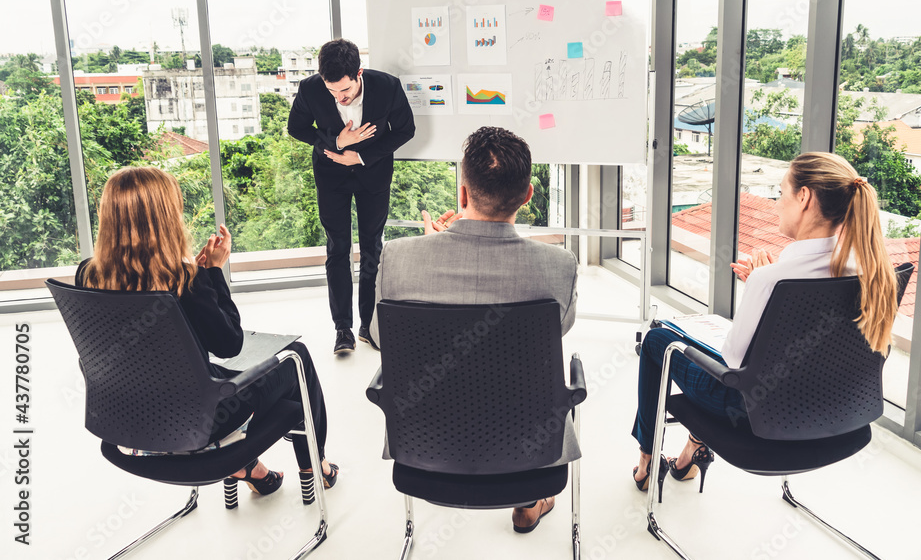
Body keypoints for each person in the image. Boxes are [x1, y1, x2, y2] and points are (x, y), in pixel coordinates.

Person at [631, 152, 899, 495]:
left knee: (659, 339)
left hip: (755, 415)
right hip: (839, 412)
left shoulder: (773, 280)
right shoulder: (875, 273)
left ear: (804, 198)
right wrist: (765, 286)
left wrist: (761, 283)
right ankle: (692, 452)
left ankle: (646, 461)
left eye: (781, 192)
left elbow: (731, 364)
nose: (776, 204)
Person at [75, 166, 338, 499]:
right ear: (166, 215)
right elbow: (229, 343)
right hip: (197, 424)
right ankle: (315, 465)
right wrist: (212, 272)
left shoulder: (88, 275)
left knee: (222, 373)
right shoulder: (183, 279)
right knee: (294, 359)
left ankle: (250, 469)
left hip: (126, 424)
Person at [371, 126, 578, 534]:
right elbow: (561, 328)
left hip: (426, 449)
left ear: (462, 194)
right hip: (530, 456)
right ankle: (527, 502)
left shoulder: (399, 258)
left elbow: (381, 338)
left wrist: (429, 250)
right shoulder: (560, 265)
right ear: (528, 195)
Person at [287, 38, 415, 355]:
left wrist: (360, 157)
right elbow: (296, 127)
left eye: (344, 91)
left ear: (358, 73)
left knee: (372, 246)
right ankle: (342, 328)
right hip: (331, 177)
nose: (340, 99)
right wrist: (337, 141)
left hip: (373, 174)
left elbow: (405, 130)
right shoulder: (310, 88)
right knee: (338, 248)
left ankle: (367, 326)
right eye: (333, 93)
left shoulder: (387, 87)